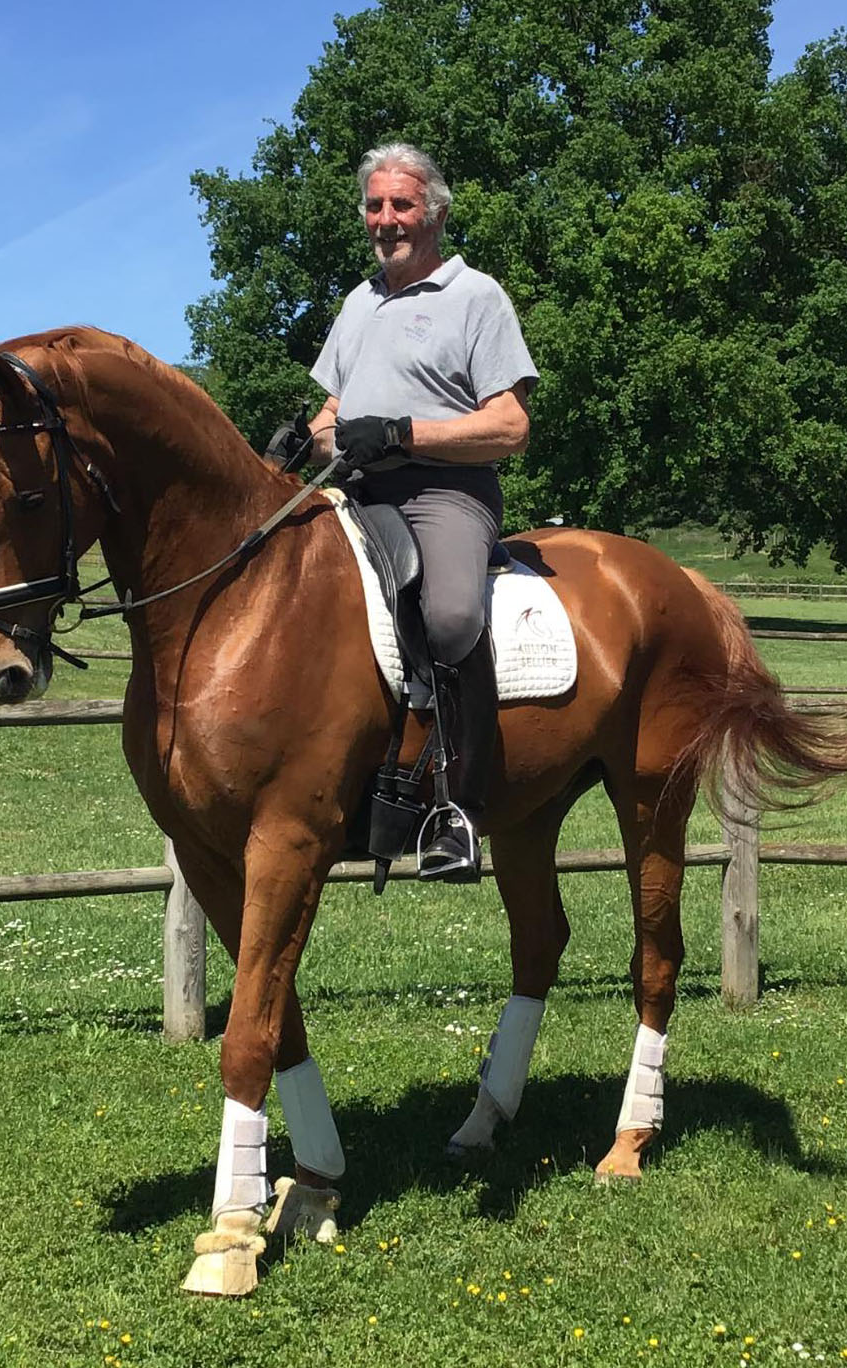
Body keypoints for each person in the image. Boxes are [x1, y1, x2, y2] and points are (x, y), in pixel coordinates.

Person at [306, 143, 538, 882]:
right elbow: (332, 410)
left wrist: (408, 433)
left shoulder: (477, 298)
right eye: (375, 206)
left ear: (433, 211)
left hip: (444, 492)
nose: (386, 220)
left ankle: (457, 811)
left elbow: (510, 426)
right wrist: (311, 437)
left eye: (401, 205)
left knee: (448, 617)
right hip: (358, 490)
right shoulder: (358, 301)